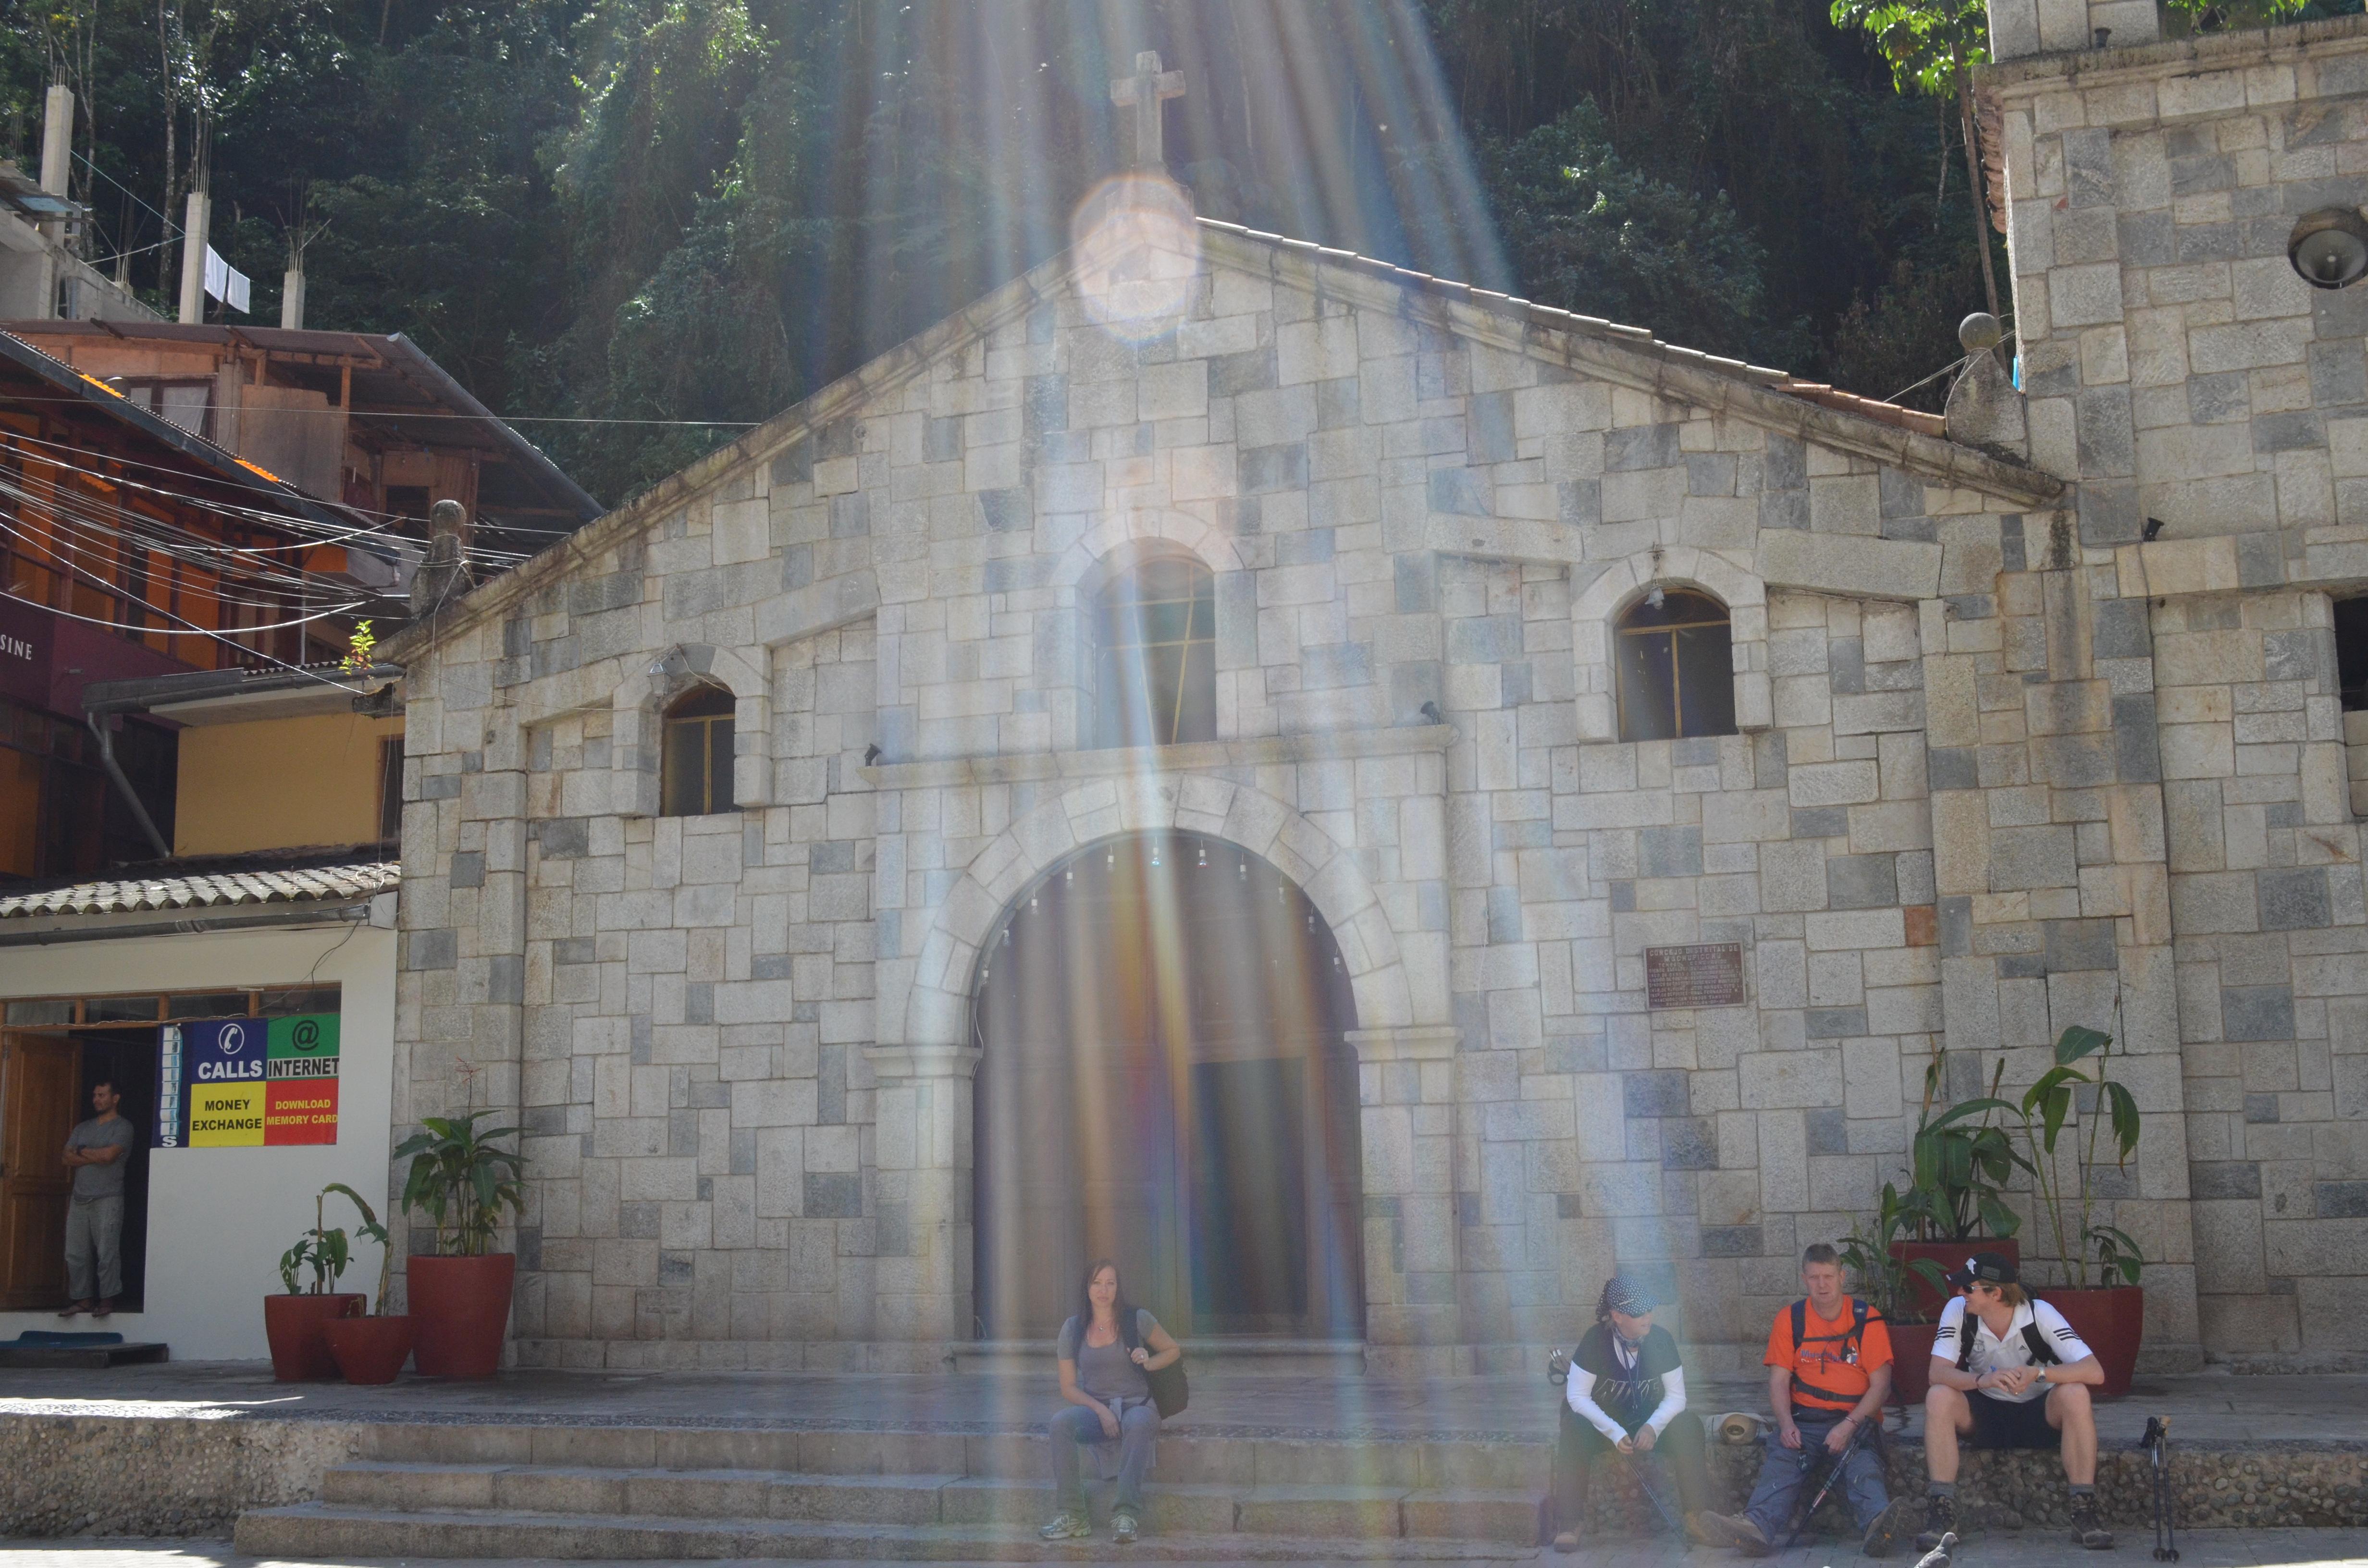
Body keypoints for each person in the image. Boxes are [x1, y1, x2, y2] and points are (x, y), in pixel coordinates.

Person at [1697, 1243, 1912, 1557]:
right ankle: (1755, 1528)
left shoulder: (1868, 1319)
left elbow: (1881, 1387)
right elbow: (1779, 1382)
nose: (1822, 1285)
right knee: (1783, 1458)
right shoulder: (1791, 1319)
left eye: (1828, 1276)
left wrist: (1849, 1425)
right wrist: (1785, 1425)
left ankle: (1881, 1526)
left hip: (1855, 1420)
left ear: (1843, 1276)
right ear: (1804, 1279)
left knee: (1862, 1466)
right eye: (1814, 1277)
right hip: (1805, 1419)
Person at [1919, 1251, 2111, 1551]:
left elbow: (2094, 1371)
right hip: (1984, 1413)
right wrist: (1981, 1380)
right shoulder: (1958, 1310)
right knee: (1938, 1396)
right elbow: (1937, 1373)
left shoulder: (2039, 1313)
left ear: (1995, 1293)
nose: (1960, 1293)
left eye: (1968, 1288)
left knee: (2076, 1393)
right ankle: (1942, 1510)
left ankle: (2084, 1509)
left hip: (2038, 1413)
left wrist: (2039, 1373)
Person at [1546, 1275, 1715, 1553]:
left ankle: (1697, 1516)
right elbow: (1577, 1397)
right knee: (1573, 1426)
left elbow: (1677, 1397)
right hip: (1604, 1427)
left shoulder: (1661, 1339)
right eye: (1638, 1312)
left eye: (1649, 1309)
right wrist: (1613, 1430)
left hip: (1647, 1425)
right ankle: (1570, 1521)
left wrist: (1653, 1427)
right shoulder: (1595, 1341)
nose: (1647, 1317)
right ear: (1617, 1316)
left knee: (1689, 1425)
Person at [1038, 1259, 1181, 1545]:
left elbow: (1173, 1350)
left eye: (1110, 1283)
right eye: (1097, 1283)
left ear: (1118, 1287)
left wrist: (1149, 1361)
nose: (1104, 1289)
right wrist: (1101, 1410)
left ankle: (1126, 1514)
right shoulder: (1073, 1328)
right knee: (1060, 1424)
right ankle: (1073, 1514)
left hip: (1137, 1405)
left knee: (1139, 1423)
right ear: (1087, 1288)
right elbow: (1068, 1388)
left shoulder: (1136, 1318)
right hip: (1097, 1408)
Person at [59, 1078, 134, 1319]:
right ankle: (82, 1300)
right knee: (75, 1253)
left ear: (115, 1099)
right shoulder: (82, 1128)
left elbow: (110, 1155)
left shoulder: (123, 1127)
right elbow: (66, 1158)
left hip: (108, 1198)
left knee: (107, 1251)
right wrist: (95, 1155)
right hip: (80, 1198)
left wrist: (82, 1151)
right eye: (95, 1095)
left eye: (102, 1095)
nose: (97, 1100)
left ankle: (107, 1300)